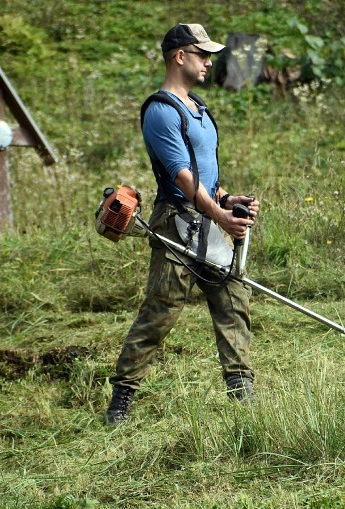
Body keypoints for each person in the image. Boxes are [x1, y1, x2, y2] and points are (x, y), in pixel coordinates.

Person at [104, 23, 260, 424]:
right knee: (161, 311)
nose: (208, 62)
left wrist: (228, 199)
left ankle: (243, 397)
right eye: (202, 54)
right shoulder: (160, 111)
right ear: (179, 56)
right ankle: (121, 402)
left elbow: (205, 177)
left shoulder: (200, 109)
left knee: (233, 304)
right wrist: (220, 214)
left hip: (207, 219)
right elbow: (182, 177)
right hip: (176, 223)